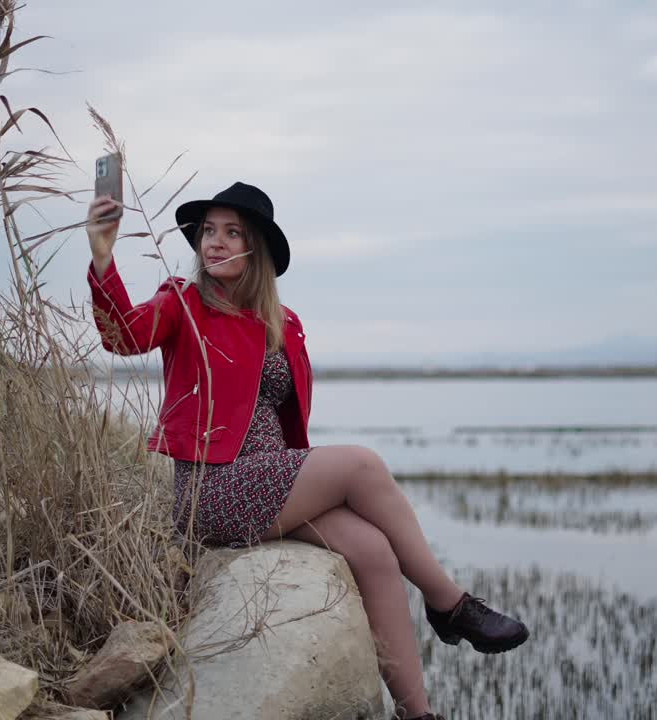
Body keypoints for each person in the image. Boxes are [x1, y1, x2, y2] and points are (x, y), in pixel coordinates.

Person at [86, 182, 529, 720]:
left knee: (373, 551)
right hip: (213, 487)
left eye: (232, 233)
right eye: (208, 231)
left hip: (272, 483)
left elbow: (286, 423)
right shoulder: (184, 303)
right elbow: (123, 335)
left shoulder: (284, 324)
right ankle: (450, 604)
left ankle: (418, 714)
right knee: (363, 464)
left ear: (257, 249)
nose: (215, 242)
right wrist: (103, 254)